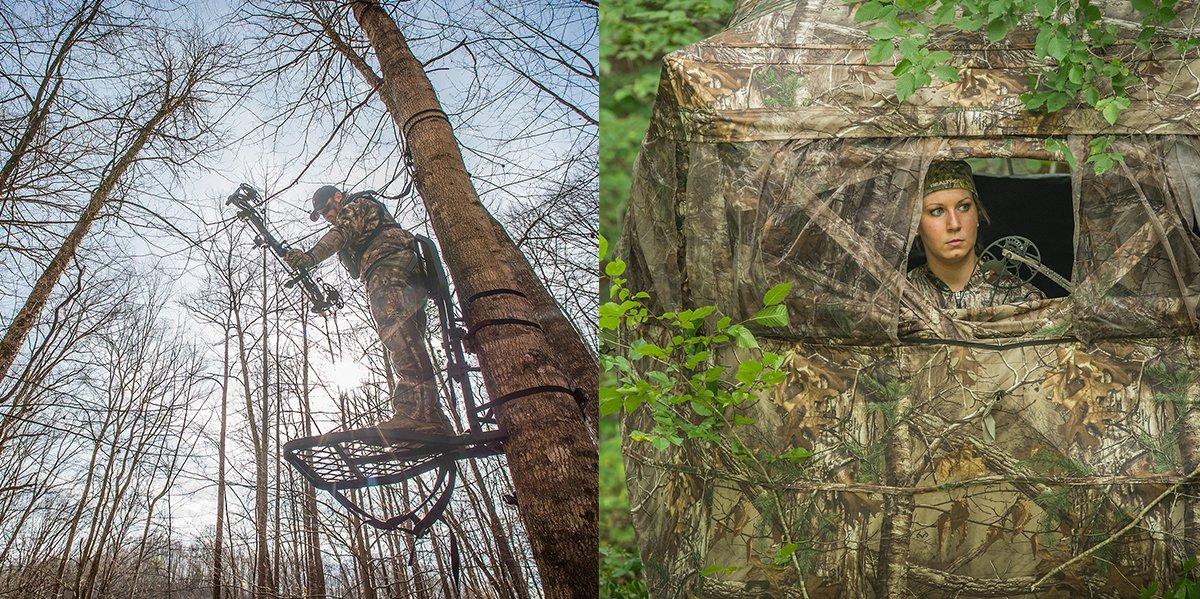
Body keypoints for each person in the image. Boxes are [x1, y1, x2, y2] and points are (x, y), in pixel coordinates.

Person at [284, 185, 454, 436]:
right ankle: (433, 419)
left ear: (338, 197)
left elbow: (341, 232)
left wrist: (309, 257)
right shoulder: (359, 216)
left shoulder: (356, 206)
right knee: (408, 336)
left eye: (327, 209)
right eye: (322, 215)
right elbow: (353, 266)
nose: (327, 216)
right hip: (400, 269)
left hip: (388, 266)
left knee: (395, 331)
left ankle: (417, 413)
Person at [906, 160, 1044, 310]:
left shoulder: (1021, 297)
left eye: (964, 207)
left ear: (977, 214)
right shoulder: (901, 300)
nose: (954, 224)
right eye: (937, 211)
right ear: (916, 224)